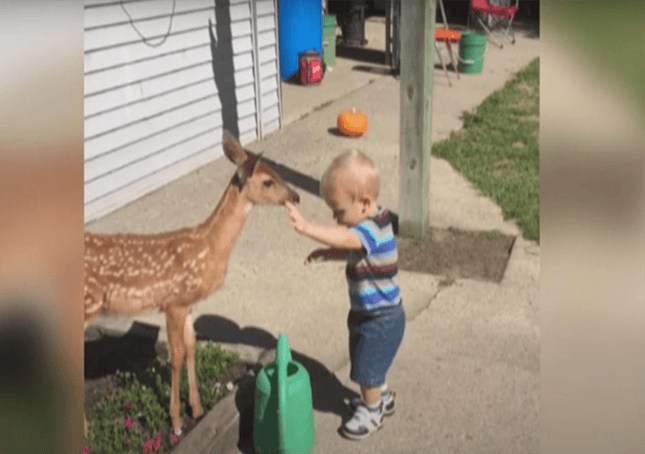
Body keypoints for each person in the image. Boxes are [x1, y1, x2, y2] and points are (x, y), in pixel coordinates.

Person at [284, 149, 405, 440]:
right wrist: (328, 253)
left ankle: (372, 411)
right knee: (370, 360)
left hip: (381, 318)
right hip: (371, 313)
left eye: (339, 211)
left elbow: (350, 239)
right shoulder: (373, 221)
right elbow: (352, 247)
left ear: (364, 203)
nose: (335, 217)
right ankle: (381, 397)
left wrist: (307, 228)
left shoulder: (371, 229)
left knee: (365, 366)